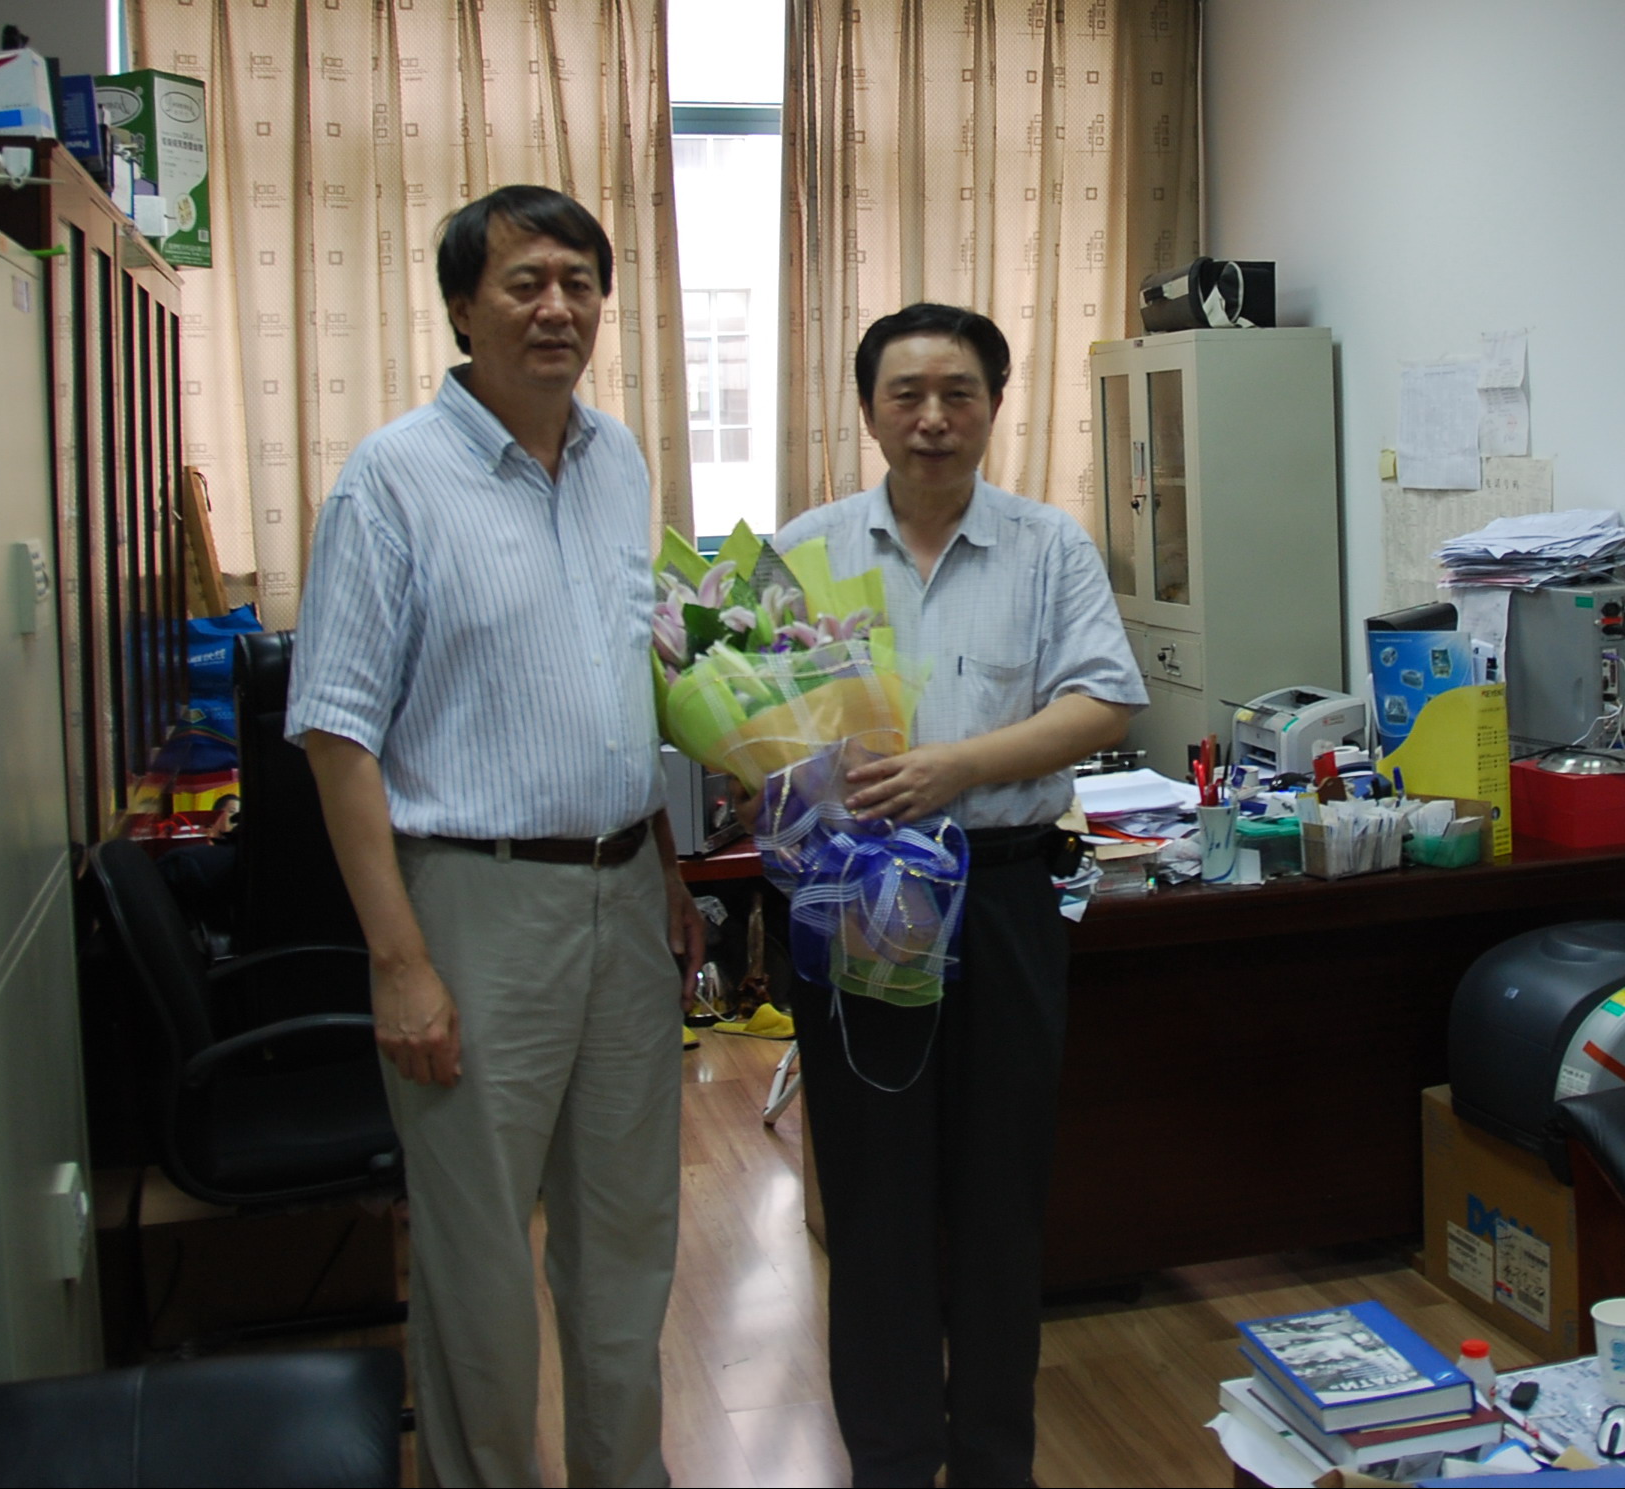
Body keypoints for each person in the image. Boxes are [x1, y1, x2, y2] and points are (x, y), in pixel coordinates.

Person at [287, 184, 704, 1488]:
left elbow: (620, 682)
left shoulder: (618, 460)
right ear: (462, 308)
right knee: (476, 1255)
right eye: (526, 283)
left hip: (623, 893)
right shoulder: (392, 480)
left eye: (580, 283)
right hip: (473, 906)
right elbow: (336, 736)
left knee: (627, 1237)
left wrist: (668, 866)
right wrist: (400, 963)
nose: (557, 308)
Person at [770, 303, 1148, 1487]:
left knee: (1000, 1190)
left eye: (958, 394)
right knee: (872, 1192)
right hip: (858, 896)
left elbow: (1104, 702)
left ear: (993, 405)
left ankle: (994, 1459)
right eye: (906, 394)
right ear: (867, 409)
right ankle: (888, 1458)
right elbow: (758, 721)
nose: (932, 418)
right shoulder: (807, 549)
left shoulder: (1048, 546)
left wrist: (954, 769)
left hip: (1000, 891)